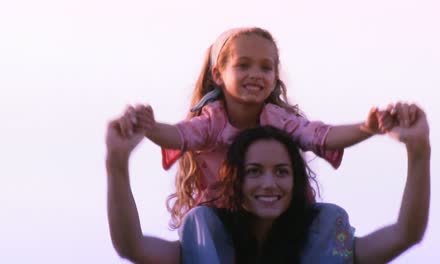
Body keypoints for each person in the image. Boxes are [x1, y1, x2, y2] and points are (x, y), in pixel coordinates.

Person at [122, 27, 395, 228]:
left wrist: (367, 128)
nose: (255, 74)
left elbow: (321, 136)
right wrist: (149, 127)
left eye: (266, 68)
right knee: (198, 220)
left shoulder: (278, 119)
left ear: (275, 76)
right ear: (218, 74)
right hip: (225, 220)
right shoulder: (212, 121)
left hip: (276, 216)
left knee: (331, 217)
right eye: (243, 65)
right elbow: (179, 135)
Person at [106, 103, 429, 263]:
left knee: (329, 216)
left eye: (282, 171)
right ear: (234, 180)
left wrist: (418, 151)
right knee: (200, 219)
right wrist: (117, 163)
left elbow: (406, 233)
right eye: (254, 171)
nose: (269, 183)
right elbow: (131, 246)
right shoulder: (205, 241)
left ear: (296, 179)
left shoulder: (324, 234)